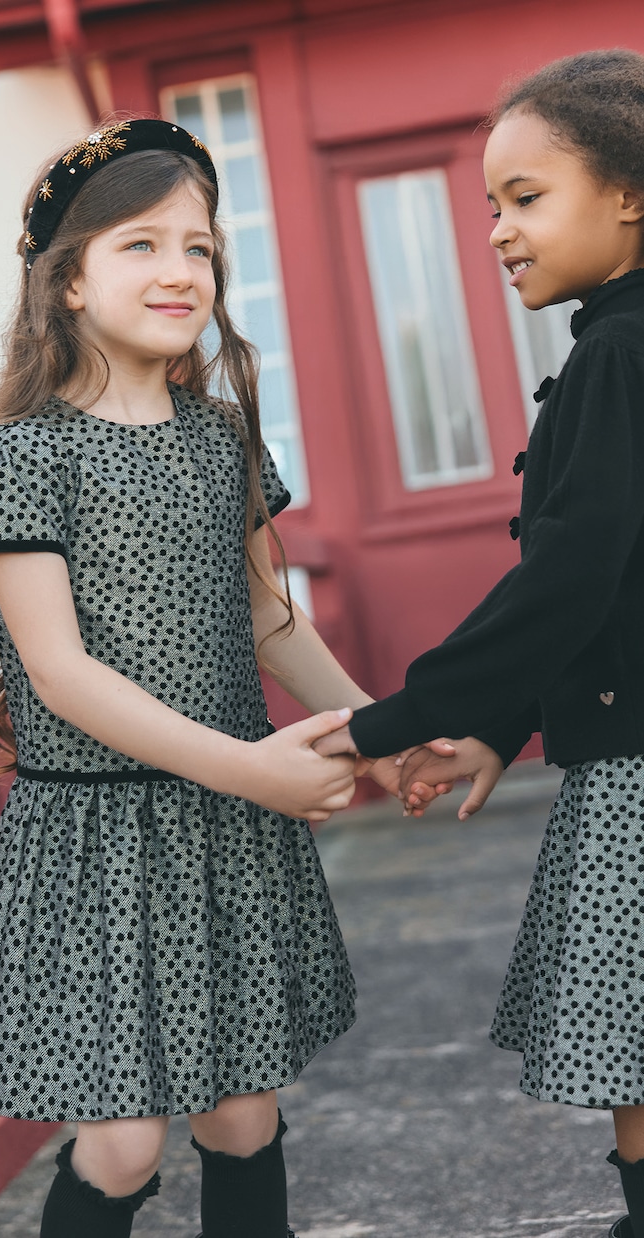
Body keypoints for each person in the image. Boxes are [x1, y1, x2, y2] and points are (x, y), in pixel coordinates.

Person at [0, 118, 444, 1238]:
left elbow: (268, 615)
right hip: (99, 835)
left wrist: (379, 726)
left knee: (243, 1114)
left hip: (228, 824)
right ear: (66, 282)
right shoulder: (27, 453)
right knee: (120, 1138)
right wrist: (252, 769)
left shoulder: (224, 439)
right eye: (140, 245)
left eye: (201, 248)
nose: (180, 270)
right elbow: (58, 672)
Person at [316, 48, 644, 1238]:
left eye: (526, 196)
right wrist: (501, 724)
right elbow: (609, 592)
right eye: (488, 206)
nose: (499, 230)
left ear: (629, 193)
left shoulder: (616, 352)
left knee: (632, 1051)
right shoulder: (612, 345)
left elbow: (570, 575)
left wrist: (388, 720)